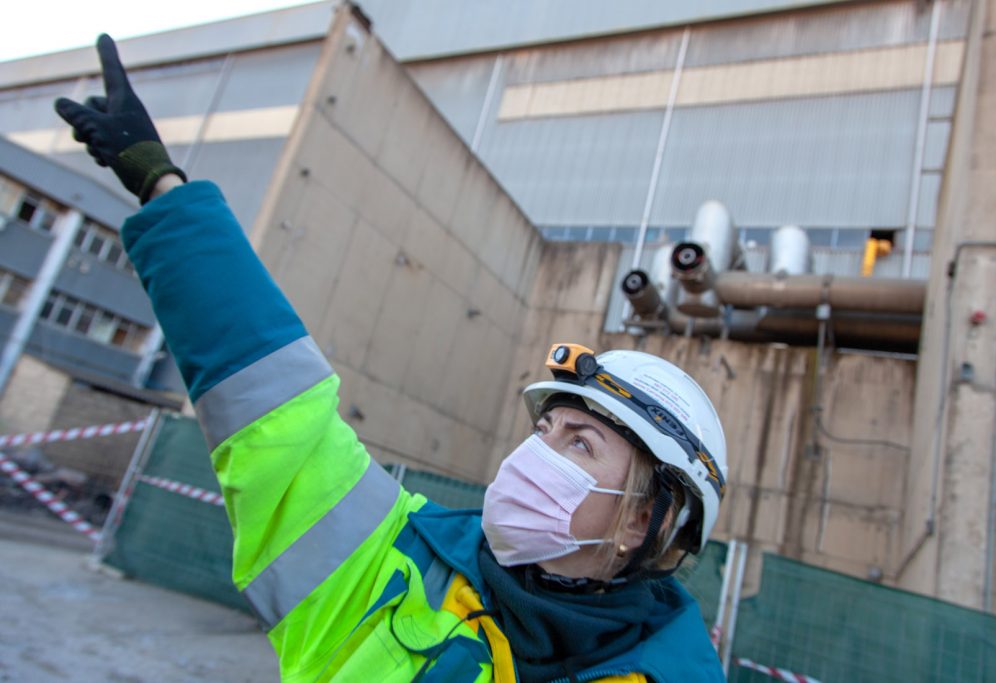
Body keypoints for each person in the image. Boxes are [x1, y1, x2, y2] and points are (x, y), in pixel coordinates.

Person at [55, 34, 728, 683]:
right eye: (544, 431)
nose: (533, 457)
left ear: (642, 519)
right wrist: (162, 185)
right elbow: (271, 399)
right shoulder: (392, 558)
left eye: (579, 443)